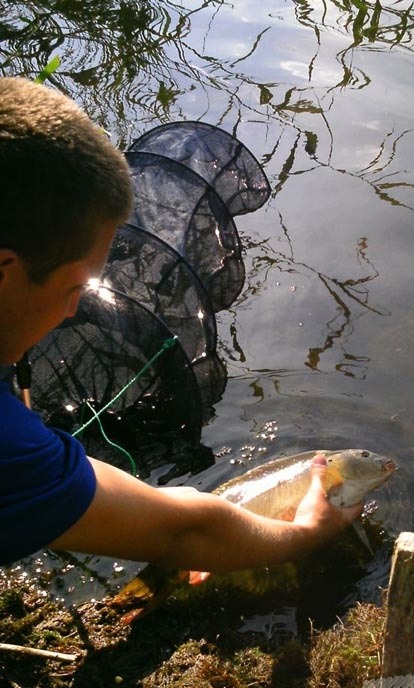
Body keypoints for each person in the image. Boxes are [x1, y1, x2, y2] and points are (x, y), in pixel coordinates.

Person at [0, 76, 362, 572]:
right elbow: (183, 532)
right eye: (73, 290)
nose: (72, 312)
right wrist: (305, 532)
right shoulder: (9, 449)